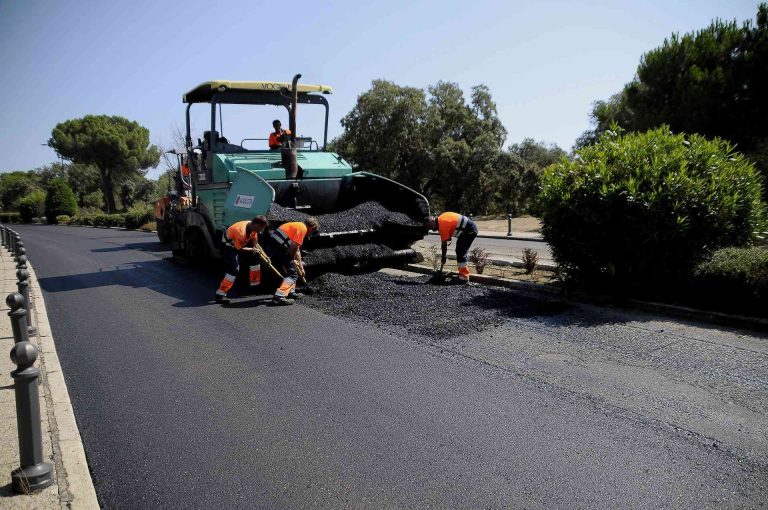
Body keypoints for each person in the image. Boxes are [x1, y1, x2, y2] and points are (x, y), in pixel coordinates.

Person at [265, 217, 319, 305]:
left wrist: (301, 267)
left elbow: (297, 250)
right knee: (292, 274)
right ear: (312, 227)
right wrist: (292, 259)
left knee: (291, 270)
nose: (309, 234)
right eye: (312, 232)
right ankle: (279, 297)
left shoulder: (297, 225)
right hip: (278, 249)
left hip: (275, 248)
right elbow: (293, 248)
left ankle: (290, 292)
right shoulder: (302, 229)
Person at [214, 216, 268, 304]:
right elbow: (238, 249)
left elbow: (256, 244)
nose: (261, 231)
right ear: (257, 224)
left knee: (256, 259)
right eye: (261, 228)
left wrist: (266, 257)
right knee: (234, 269)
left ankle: (254, 287)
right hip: (228, 247)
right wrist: (252, 250)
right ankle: (220, 294)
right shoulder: (240, 232)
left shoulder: (253, 228)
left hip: (239, 244)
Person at [426, 212, 478, 283]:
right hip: (466, 230)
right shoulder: (441, 217)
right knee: (459, 250)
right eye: (429, 228)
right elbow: (452, 226)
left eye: (430, 226)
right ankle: (462, 275)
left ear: (433, 220)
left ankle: (464, 277)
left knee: (461, 251)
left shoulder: (442, 225)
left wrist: (443, 257)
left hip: (469, 231)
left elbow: (444, 245)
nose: (431, 229)